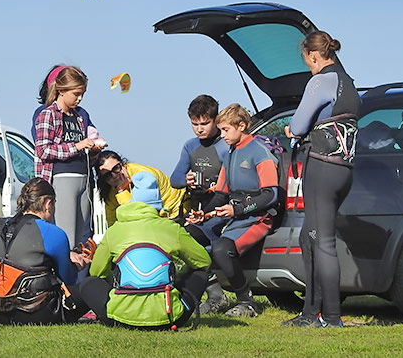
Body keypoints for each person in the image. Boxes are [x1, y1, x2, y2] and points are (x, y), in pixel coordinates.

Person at [283, 31, 360, 328]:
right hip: (344, 170)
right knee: (309, 237)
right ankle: (309, 312)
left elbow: (298, 124)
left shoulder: (320, 81)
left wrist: (292, 131)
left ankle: (328, 317)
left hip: (322, 167)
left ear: (314, 56)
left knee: (322, 241)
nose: (308, 67)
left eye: (307, 61)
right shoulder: (349, 83)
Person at [79, 172, 210, 329]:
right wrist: (178, 278)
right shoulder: (172, 228)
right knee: (200, 273)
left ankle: (119, 308)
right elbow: (204, 261)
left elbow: (97, 273)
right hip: (170, 317)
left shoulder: (114, 231)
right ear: (157, 202)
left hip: (120, 318)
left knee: (89, 283)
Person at [189, 103, 280, 318]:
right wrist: (205, 214)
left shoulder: (259, 152)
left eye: (225, 130)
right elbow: (221, 193)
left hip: (258, 216)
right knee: (191, 236)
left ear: (242, 126)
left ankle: (247, 302)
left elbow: (271, 195)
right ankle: (216, 297)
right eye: (220, 130)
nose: (221, 135)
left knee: (222, 250)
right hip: (234, 214)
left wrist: (237, 209)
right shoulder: (231, 153)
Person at [0, 178, 91, 325]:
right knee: (92, 285)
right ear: (48, 204)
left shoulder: (2, 227)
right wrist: (78, 264)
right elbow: (69, 279)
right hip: (38, 313)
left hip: (0, 313)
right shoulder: (53, 232)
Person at [169, 94, 231, 314]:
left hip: (220, 210)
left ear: (215, 120)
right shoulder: (190, 146)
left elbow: (231, 184)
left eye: (205, 123)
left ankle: (214, 296)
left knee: (192, 240)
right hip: (196, 210)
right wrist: (185, 179)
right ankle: (210, 295)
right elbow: (174, 179)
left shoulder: (225, 145)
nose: (199, 129)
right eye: (195, 124)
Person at [34, 65, 105, 250]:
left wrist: (94, 149)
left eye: (82, 94)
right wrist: (77, 146)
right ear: (61, 90)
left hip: (83, 178)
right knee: (66, 237)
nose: (79, 98)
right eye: (76, 93)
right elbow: (43, 150)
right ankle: (63, 278)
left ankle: (77, 278)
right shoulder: (47, 114)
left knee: (81, 240)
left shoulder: (79, 117)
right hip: (62, 178)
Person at [95, 150, 186, 227]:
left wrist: (122, 191)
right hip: (155, 219)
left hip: (177, 211)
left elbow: (140, 214)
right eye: (107, 175)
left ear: (123, 165)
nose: (114, 176)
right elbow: (112, 222)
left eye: (116, 168)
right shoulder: (110, 190)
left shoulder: (144, 176)